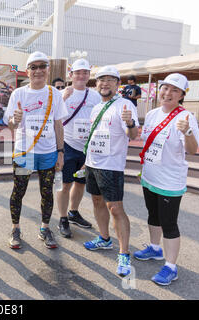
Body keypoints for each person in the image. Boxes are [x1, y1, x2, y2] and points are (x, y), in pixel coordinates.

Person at [134, 73, 199, 285]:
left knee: (169, 224)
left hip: (170, 182)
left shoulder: (186, 117)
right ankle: (155, 249)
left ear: (181, 95)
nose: (168, 93)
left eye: (175, 90)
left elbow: (191, 150)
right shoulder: (153, 114)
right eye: (165, 88)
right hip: (150, 176)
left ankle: (171, 267)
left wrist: (188, 132)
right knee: (153, 215)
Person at [4, 51, 68, 250]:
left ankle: (45, 228)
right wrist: (15, 119)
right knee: (19, 190)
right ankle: (15, 228)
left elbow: (58, 124)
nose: (38, 71)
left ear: (47, 70)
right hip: (25, 154)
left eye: (42, 66)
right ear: (27, 71)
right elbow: (11, 126)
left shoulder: (54, 93)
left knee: (46, 192)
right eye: (34, 67)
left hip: (48, 154)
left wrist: (60, 152)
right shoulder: (19, 94)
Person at [82, 66, 139, 277]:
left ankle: (124, 253)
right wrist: (86, 161)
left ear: (117, 84)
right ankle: (104, 239)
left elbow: (133, 135)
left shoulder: (125, 105)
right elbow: (93, 136)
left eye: (109, 80)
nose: (104, 84)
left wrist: (130, 122)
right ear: (96, 85)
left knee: (115, 208)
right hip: (92, 163)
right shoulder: (96, 108)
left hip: (112, 166)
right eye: (101, 80)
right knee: (97, 202)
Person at [56, 59, 102, 238]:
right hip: (67, 144)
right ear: (71, 75)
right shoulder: (63, 94)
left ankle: (73, 212)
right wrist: (64, 97)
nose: (81, 76)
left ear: (89, 75)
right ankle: (62, 218)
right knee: (64, 184)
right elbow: (53, 115)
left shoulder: (95, 96)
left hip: (87, 147)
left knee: (81, 182)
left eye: (85, 73)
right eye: (78, 72)